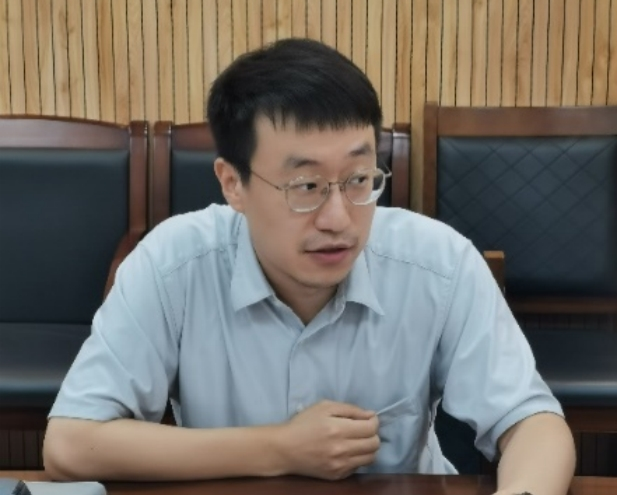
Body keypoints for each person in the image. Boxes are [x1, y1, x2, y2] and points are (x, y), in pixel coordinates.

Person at [43, 38, 574, 495]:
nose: (339, 218)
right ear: (233, 184)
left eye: (359, 179)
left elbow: (532, 422)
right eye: (306, 186)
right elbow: (70, 444)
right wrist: (280, 448)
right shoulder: (174, 265)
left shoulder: (438, 263)